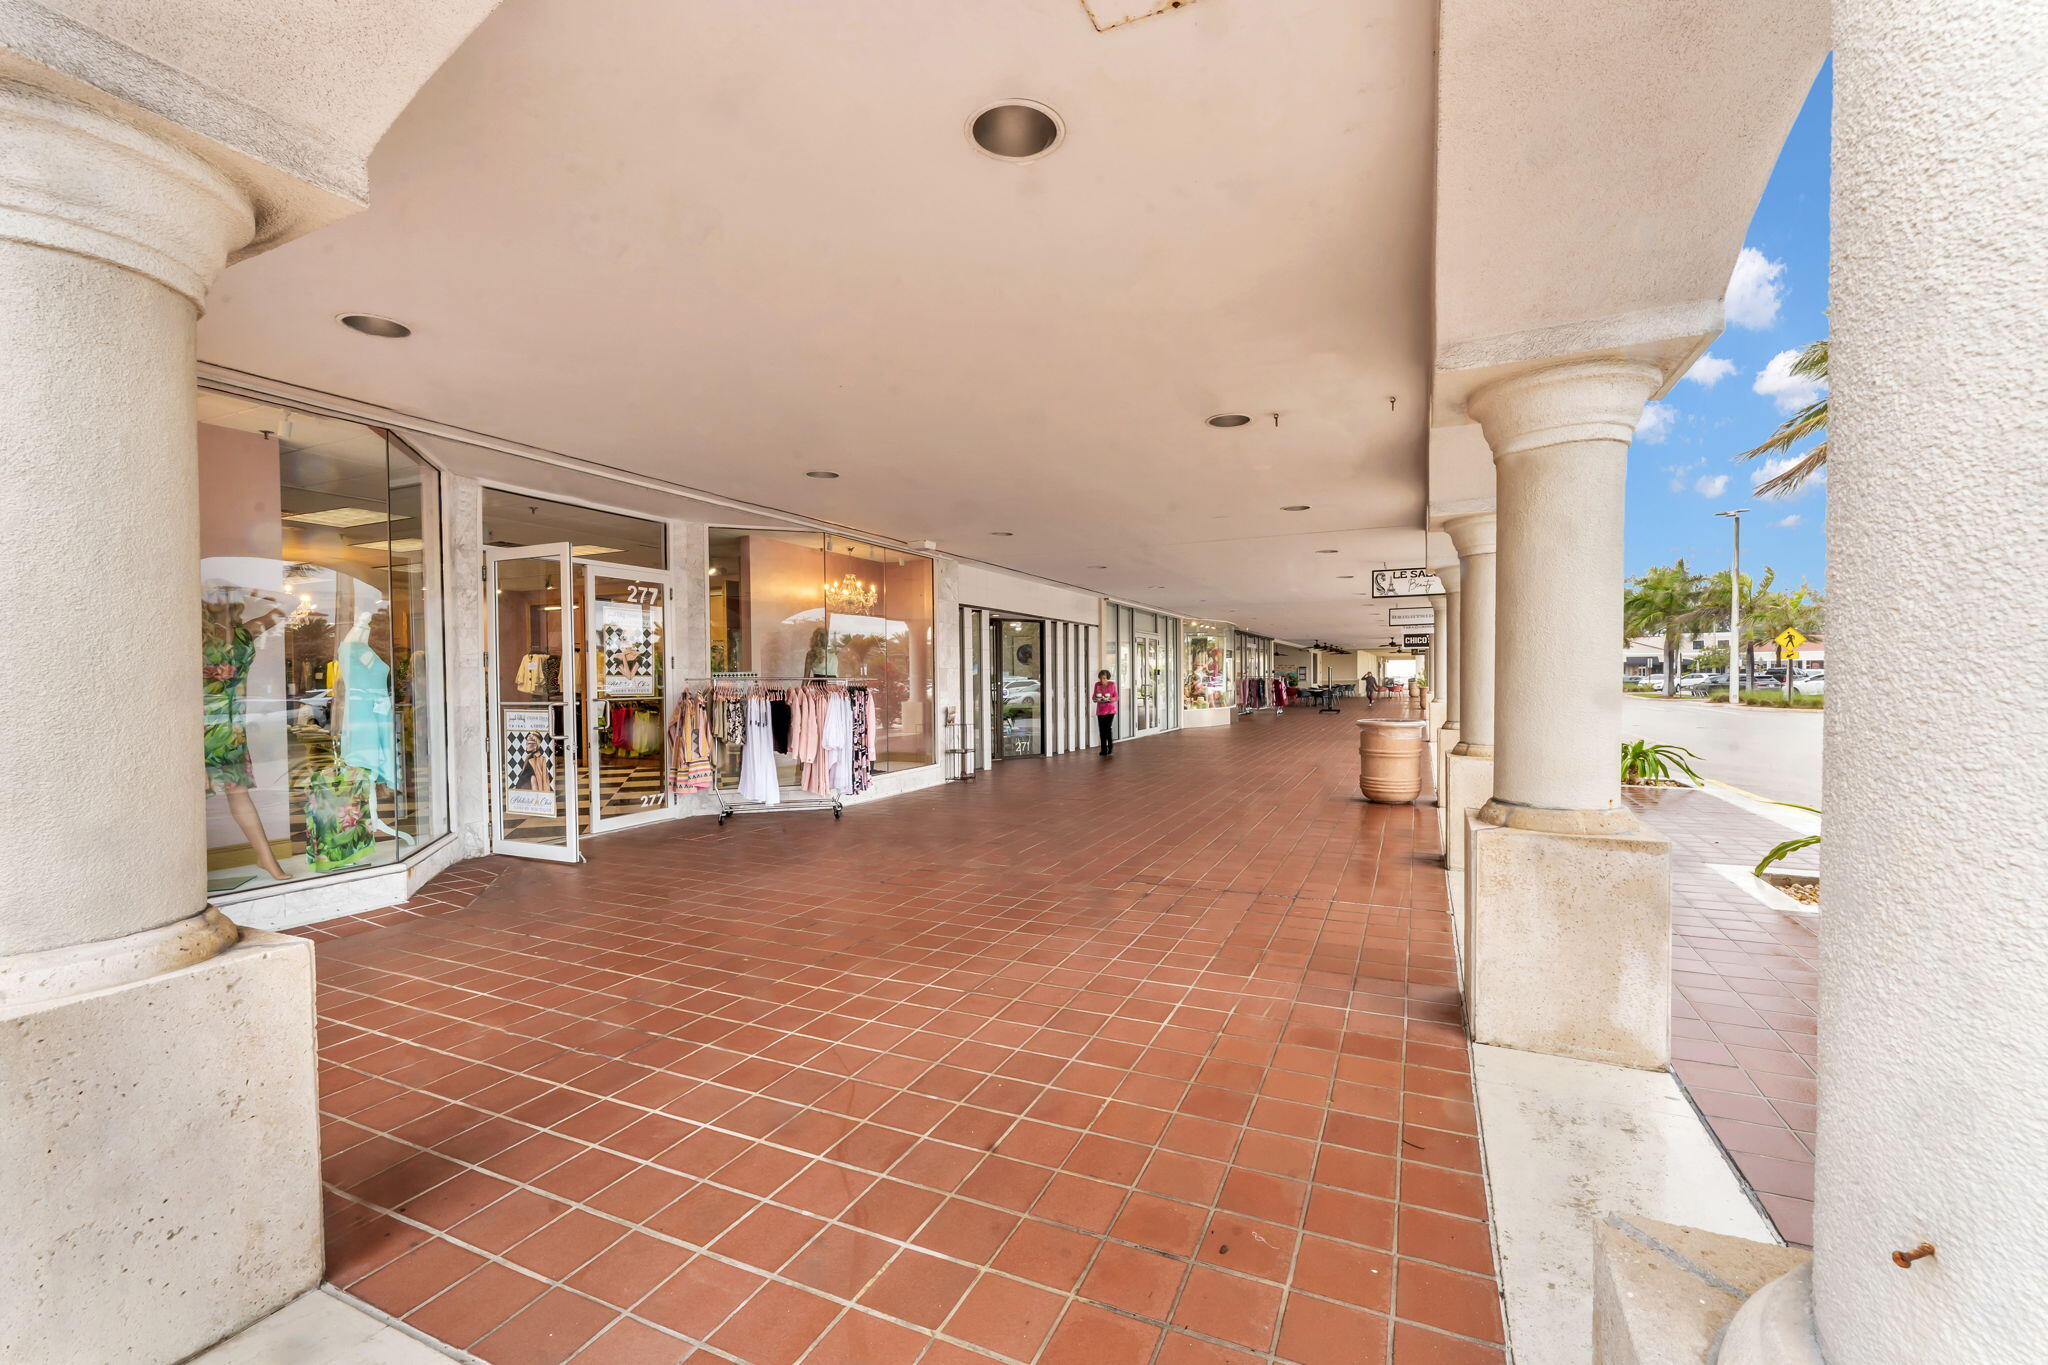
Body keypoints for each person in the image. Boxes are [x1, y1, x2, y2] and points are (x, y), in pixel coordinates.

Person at [1093, 669, 1119, 756]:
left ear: (1107, 678)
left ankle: (1110, 747)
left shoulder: (1112, 684)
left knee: (1107, 729)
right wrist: (1095, 699)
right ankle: (1103, 749)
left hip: (1111, 710)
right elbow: (1094, 696)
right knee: (1102, 730)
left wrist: (1112, 699)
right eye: (1100, 678)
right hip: (1100, 710)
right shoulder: (1097, 685)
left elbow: (1116, 696)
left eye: (1104, 678)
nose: (1102, 680)